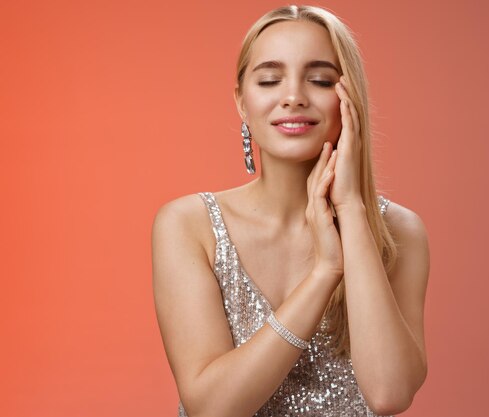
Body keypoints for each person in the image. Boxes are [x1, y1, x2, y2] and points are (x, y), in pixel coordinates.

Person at [151, 5, 430, 417]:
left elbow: (389, 394)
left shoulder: (399, 231)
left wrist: (350, 210)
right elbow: (212, 408)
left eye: (319, 80)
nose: (294, 97)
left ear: (349, 96)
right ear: (242, 103)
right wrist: (324, 273)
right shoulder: (189, 225)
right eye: (269, 79)